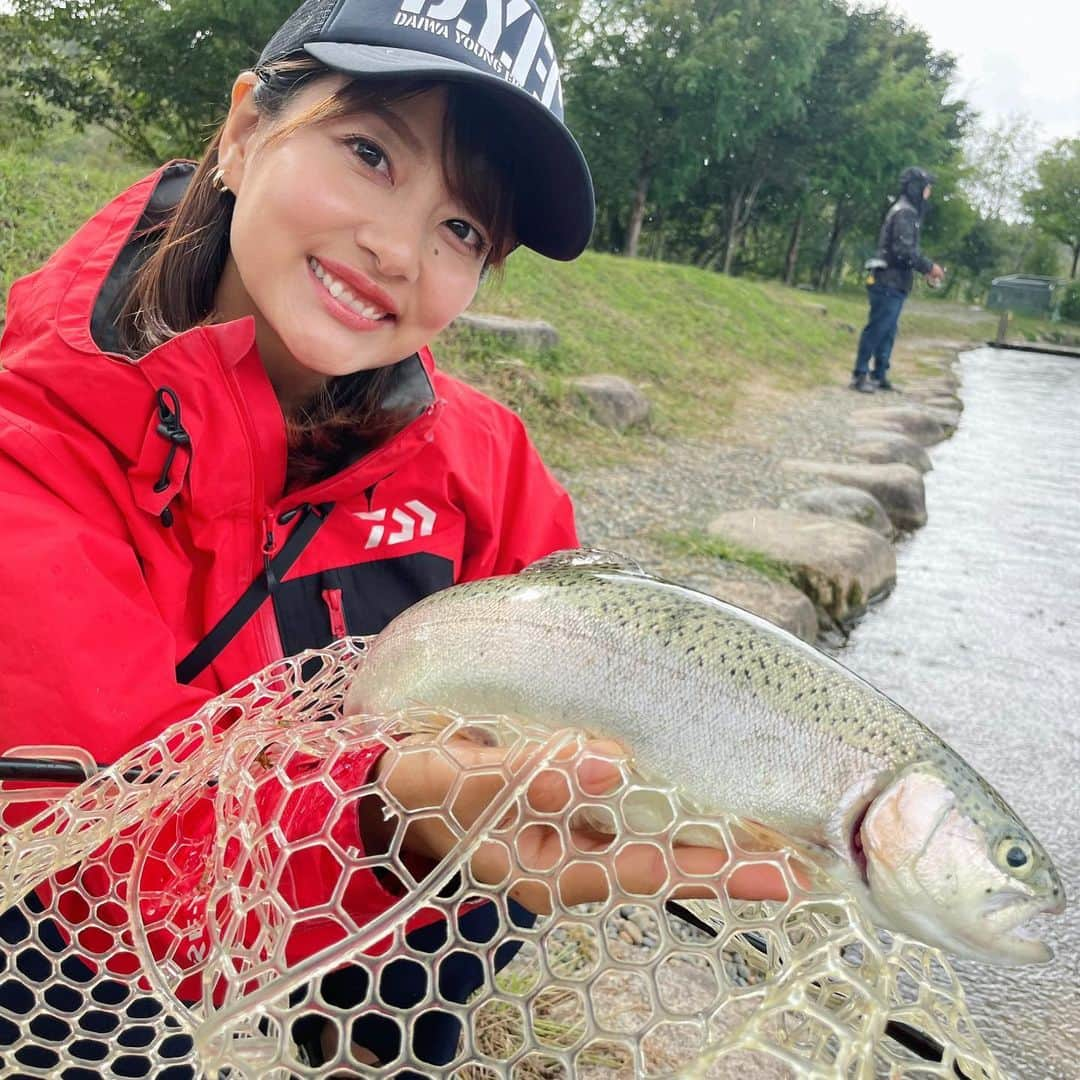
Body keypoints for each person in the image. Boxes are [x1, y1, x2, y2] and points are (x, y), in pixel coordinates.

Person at [0, 0, 792, 1073]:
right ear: (243, 130)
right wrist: (389, 816)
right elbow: (119, 863)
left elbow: (592, 633)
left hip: (380, 897)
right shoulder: (32, 447)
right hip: (93, 932)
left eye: (462, 228)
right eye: (370, 152)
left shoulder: (485, 461)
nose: (395, 249)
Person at [850, 166, 945, 393]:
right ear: (917, 188)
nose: (929, 192)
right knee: (878, 328)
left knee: (888, 330)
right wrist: (929, 267)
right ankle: (860, 374)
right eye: (927, 187)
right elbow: (904, 251)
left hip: (895, 282)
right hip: (887, 281)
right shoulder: (905, 213)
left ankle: (879, 374)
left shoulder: (907, 211)